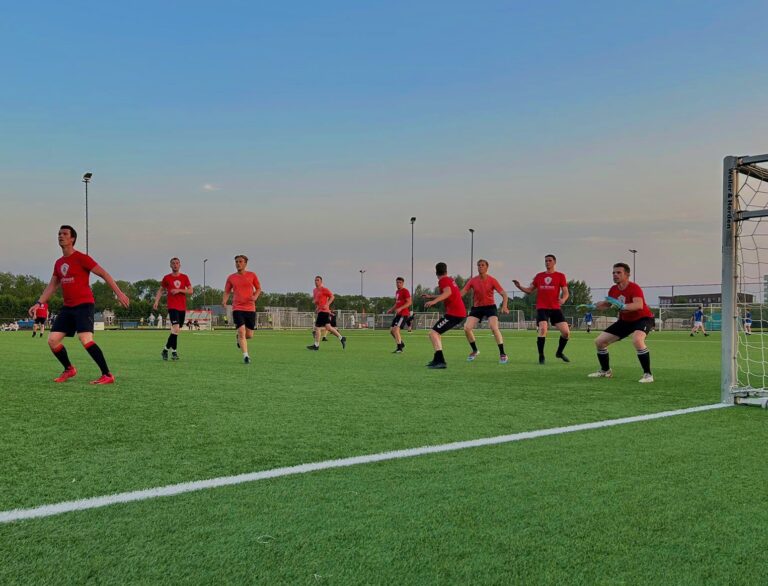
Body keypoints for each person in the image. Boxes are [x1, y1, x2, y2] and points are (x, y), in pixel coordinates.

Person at [28, 225, 130, 384]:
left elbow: (104, 273)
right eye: (59, 234)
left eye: (65, 234)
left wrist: (119, 293)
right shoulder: (59, 263)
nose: (61, 236)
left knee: (85, 338)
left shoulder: (82, 258)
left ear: (72, 239)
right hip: (68, 307)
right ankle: (69, 369)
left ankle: (107, 375)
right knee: (53, 340)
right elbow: (52, 286)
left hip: (84, 305)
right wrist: (39, 303)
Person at [587, 262, 655, 383]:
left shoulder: (634, 288)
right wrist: (592, 307)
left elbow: (638, 305)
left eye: (618, 272)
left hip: (643, 319)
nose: (615, 275)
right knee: (599, 342)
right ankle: (605, 371)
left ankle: (648, 375)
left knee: (637, 340)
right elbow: (607, 304)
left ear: (627, 274)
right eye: (613, 273)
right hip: (625, 321)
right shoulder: (613, 289)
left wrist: (623, 306)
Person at [513, 254, 570, 364]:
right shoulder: (539, 276)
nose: (547, 262)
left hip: (555, 308)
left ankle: (559, 353)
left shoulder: (560, 276)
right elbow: (530, 290)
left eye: (549, 260)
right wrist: (519, 286)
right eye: (546, 261)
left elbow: (566, 292)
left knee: (566, 333)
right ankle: (541, 356)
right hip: (542, 307)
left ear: (554, 262)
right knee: (543, 328)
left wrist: (563, 299)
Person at [461, 259, 510, 364]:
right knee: (467, 328)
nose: (480, 267)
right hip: (477, 308)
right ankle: (475, 350)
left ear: (487, 267)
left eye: (482, 265)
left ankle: (502, 354)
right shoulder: (472, 280)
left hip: (490, 307)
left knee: (494, 327)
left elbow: (504, 294)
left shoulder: (492, 280)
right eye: (479, 265)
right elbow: (462, 293)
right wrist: (450, 298)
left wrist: (504, 306)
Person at [423, 262, 467, 369]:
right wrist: (431, 296)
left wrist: (433, 301)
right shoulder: (450, 280)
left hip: (454, 313)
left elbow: (447, 293)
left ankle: (441, 361)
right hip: (458, 313)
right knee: (437, 334)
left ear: (436, 272)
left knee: (433, 333)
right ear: (446, 271)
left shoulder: (443, 280)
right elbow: (448, 293)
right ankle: (437, 359)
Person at [222, 255, 261, 364]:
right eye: (236, 262)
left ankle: (238, 338)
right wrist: (224, 301)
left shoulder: (252, 275)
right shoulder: (231, 277)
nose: (238, 264)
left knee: (249, 335)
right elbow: (227, 291)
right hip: (237, 307)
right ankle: (246, 356)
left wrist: (255, 296)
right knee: (241, 331)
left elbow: (258, 288)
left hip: (250, 308)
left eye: (240, 261)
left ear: (245, 263)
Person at [153, 257, 193, 361]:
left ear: (180, 265)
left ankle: (167, 350)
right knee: (175, 328)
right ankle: (173, 352)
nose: (175, 265)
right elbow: (161, 290)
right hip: (172, 307)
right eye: (173, 263)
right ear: (170, 265)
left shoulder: (184, 277)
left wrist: (179, 290)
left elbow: (190, 291)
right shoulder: (167, 278)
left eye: (177, 263)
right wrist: (156, 301)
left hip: (182, 307)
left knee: (176, 330)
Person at [307, 276, 346, 350]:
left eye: (318, 280)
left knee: (317, 328)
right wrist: (316, 306)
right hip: (320, 310)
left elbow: (332, 297)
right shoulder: (314, 290)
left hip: (324, 311)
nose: (316, 282)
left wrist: (327, 304)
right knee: (328, 327)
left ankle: (316, 345)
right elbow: (318, 301)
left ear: (321, 282)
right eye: (315, 280)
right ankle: (341, 338)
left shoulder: (324, 289)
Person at [386, 277, 413, 353]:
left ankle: (399, 348)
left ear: (403, 283)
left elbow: (409, 302)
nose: (398, 284)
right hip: (398, 314)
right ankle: (401, 343)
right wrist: (391, 309)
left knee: (396, 330)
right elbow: (397, 303)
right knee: (391, 331)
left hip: (404, 314)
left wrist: (401, 308)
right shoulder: (397, 292)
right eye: (397, 282)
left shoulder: (405, 291)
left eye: (400, 282)